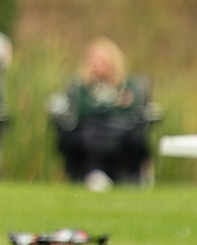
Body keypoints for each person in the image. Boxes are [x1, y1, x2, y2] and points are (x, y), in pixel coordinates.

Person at [52, 38, 151, 189]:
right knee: (80, 138)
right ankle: (92, 175)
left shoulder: (129, 86)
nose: (97, 65)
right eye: (94, 61)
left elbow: (133, 114)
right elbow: (76, 113)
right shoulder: (79, 88)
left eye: (102, 61)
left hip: (121, 133)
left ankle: (112, 176)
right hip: (87, 133)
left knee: (129, 140)